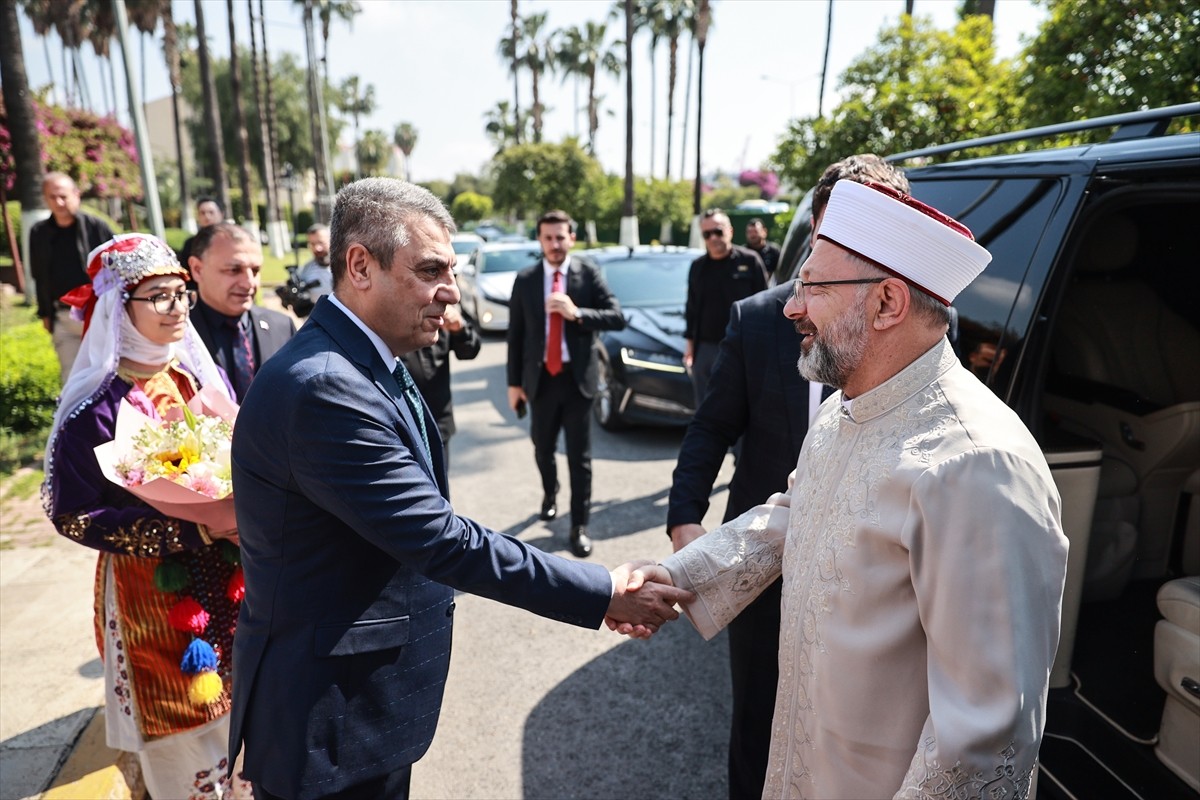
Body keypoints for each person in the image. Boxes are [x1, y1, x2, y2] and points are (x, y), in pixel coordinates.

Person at [228, 178, 690, 800]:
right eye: (429, 271)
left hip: (355, 713)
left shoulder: (364, 358)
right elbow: (438, 538)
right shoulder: (324, 386)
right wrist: (602, 590)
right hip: (328, 718)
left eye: (452, 270)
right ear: (360, 265)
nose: (450, 294)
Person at [633, 179, 1069, 798]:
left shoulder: (978, 463)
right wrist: (678, 575)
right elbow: (795, 514)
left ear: (888, 303)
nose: (791, 307)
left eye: (812, 286)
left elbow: (984, 738)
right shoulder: (844, 411)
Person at [667, 154, 910, 800]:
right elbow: (711, 426)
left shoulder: (917, 333)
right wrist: (686, 519)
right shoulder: (761, 318)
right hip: (764, 562)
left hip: (873, 575)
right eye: (831, 236)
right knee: (759, 722)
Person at [42, 233, 250, 799]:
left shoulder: (192, 382)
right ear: (116, 307)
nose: (178, 307)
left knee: (245, 730)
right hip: (151, 597)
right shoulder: (96, 409)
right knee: (182, 742)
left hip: (228, 576)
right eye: (158, 297)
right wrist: (187, 527)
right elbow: (73, 515)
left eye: (181, 293)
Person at [506, 209, 624, 558]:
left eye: (561, 237)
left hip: (577, 382)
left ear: (571, 238)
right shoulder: (526, 279)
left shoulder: (587, 273)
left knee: (580, 457)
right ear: (540, 240)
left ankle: (579, 526)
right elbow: (516, 336)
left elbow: (617, 315)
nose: (555, 244)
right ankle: (550, 492)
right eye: (548, 238)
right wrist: (514, 384)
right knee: (543, 448)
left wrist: (577, 314)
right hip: (540, 380)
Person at [187, 223, 296, 402]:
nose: (249, 283)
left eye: (255, 270)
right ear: (197, 269)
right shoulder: (178, 333)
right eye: (234, 270)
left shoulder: (282, 327)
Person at [29, 172, 116, 381]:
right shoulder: (39, 232)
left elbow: (117, 269)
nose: (59, 202)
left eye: (63, 196)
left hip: (99, 314)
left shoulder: (97, 227)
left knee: (109, 376)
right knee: (72, 381)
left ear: (76, 194)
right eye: (52, 197)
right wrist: (45, 313)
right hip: (63, 317)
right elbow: (39, 275)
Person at [684, 209, 767, 408]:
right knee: (706, 409)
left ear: (730, 231)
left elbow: (765, 305)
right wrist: (690, 349)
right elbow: (691, 309)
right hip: (706, 349)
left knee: (742, 408)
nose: (713, 238)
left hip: (743, 348)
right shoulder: (698, 267)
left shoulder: (750, 261)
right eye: (707, 234)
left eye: (718, 232)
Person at [399, 302, 480, 468]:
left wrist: (460, 327)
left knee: (439, 489)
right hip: (400, 428)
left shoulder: (440, 312)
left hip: (438, 423)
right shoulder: (393, 316)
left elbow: (470, 350)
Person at [177, 196, 227, 268]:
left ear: (221, 214)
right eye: (202, 213)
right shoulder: (191, 244)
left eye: (211, 212)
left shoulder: (231, 240)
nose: (207, 216)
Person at [296, 224, 334, 301]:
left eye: (321, 242)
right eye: (312, 244)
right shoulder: (305, 271)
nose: (317, 248)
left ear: (331, 240)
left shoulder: (347, 266)